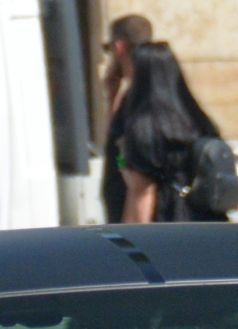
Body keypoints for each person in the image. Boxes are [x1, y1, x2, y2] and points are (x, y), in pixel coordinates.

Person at [113, 42, 223, 224]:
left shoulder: (144, 127)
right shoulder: (198, 120)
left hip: (168, 222)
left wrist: (122, 161)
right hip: (209, 222)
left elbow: (141, 190)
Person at [98, 12, 149, 223]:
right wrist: (111, 96)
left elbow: (122, 157)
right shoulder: (140, 92)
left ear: (119, 47)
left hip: (132, 216)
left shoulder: (138, 96)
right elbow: (117, 142)